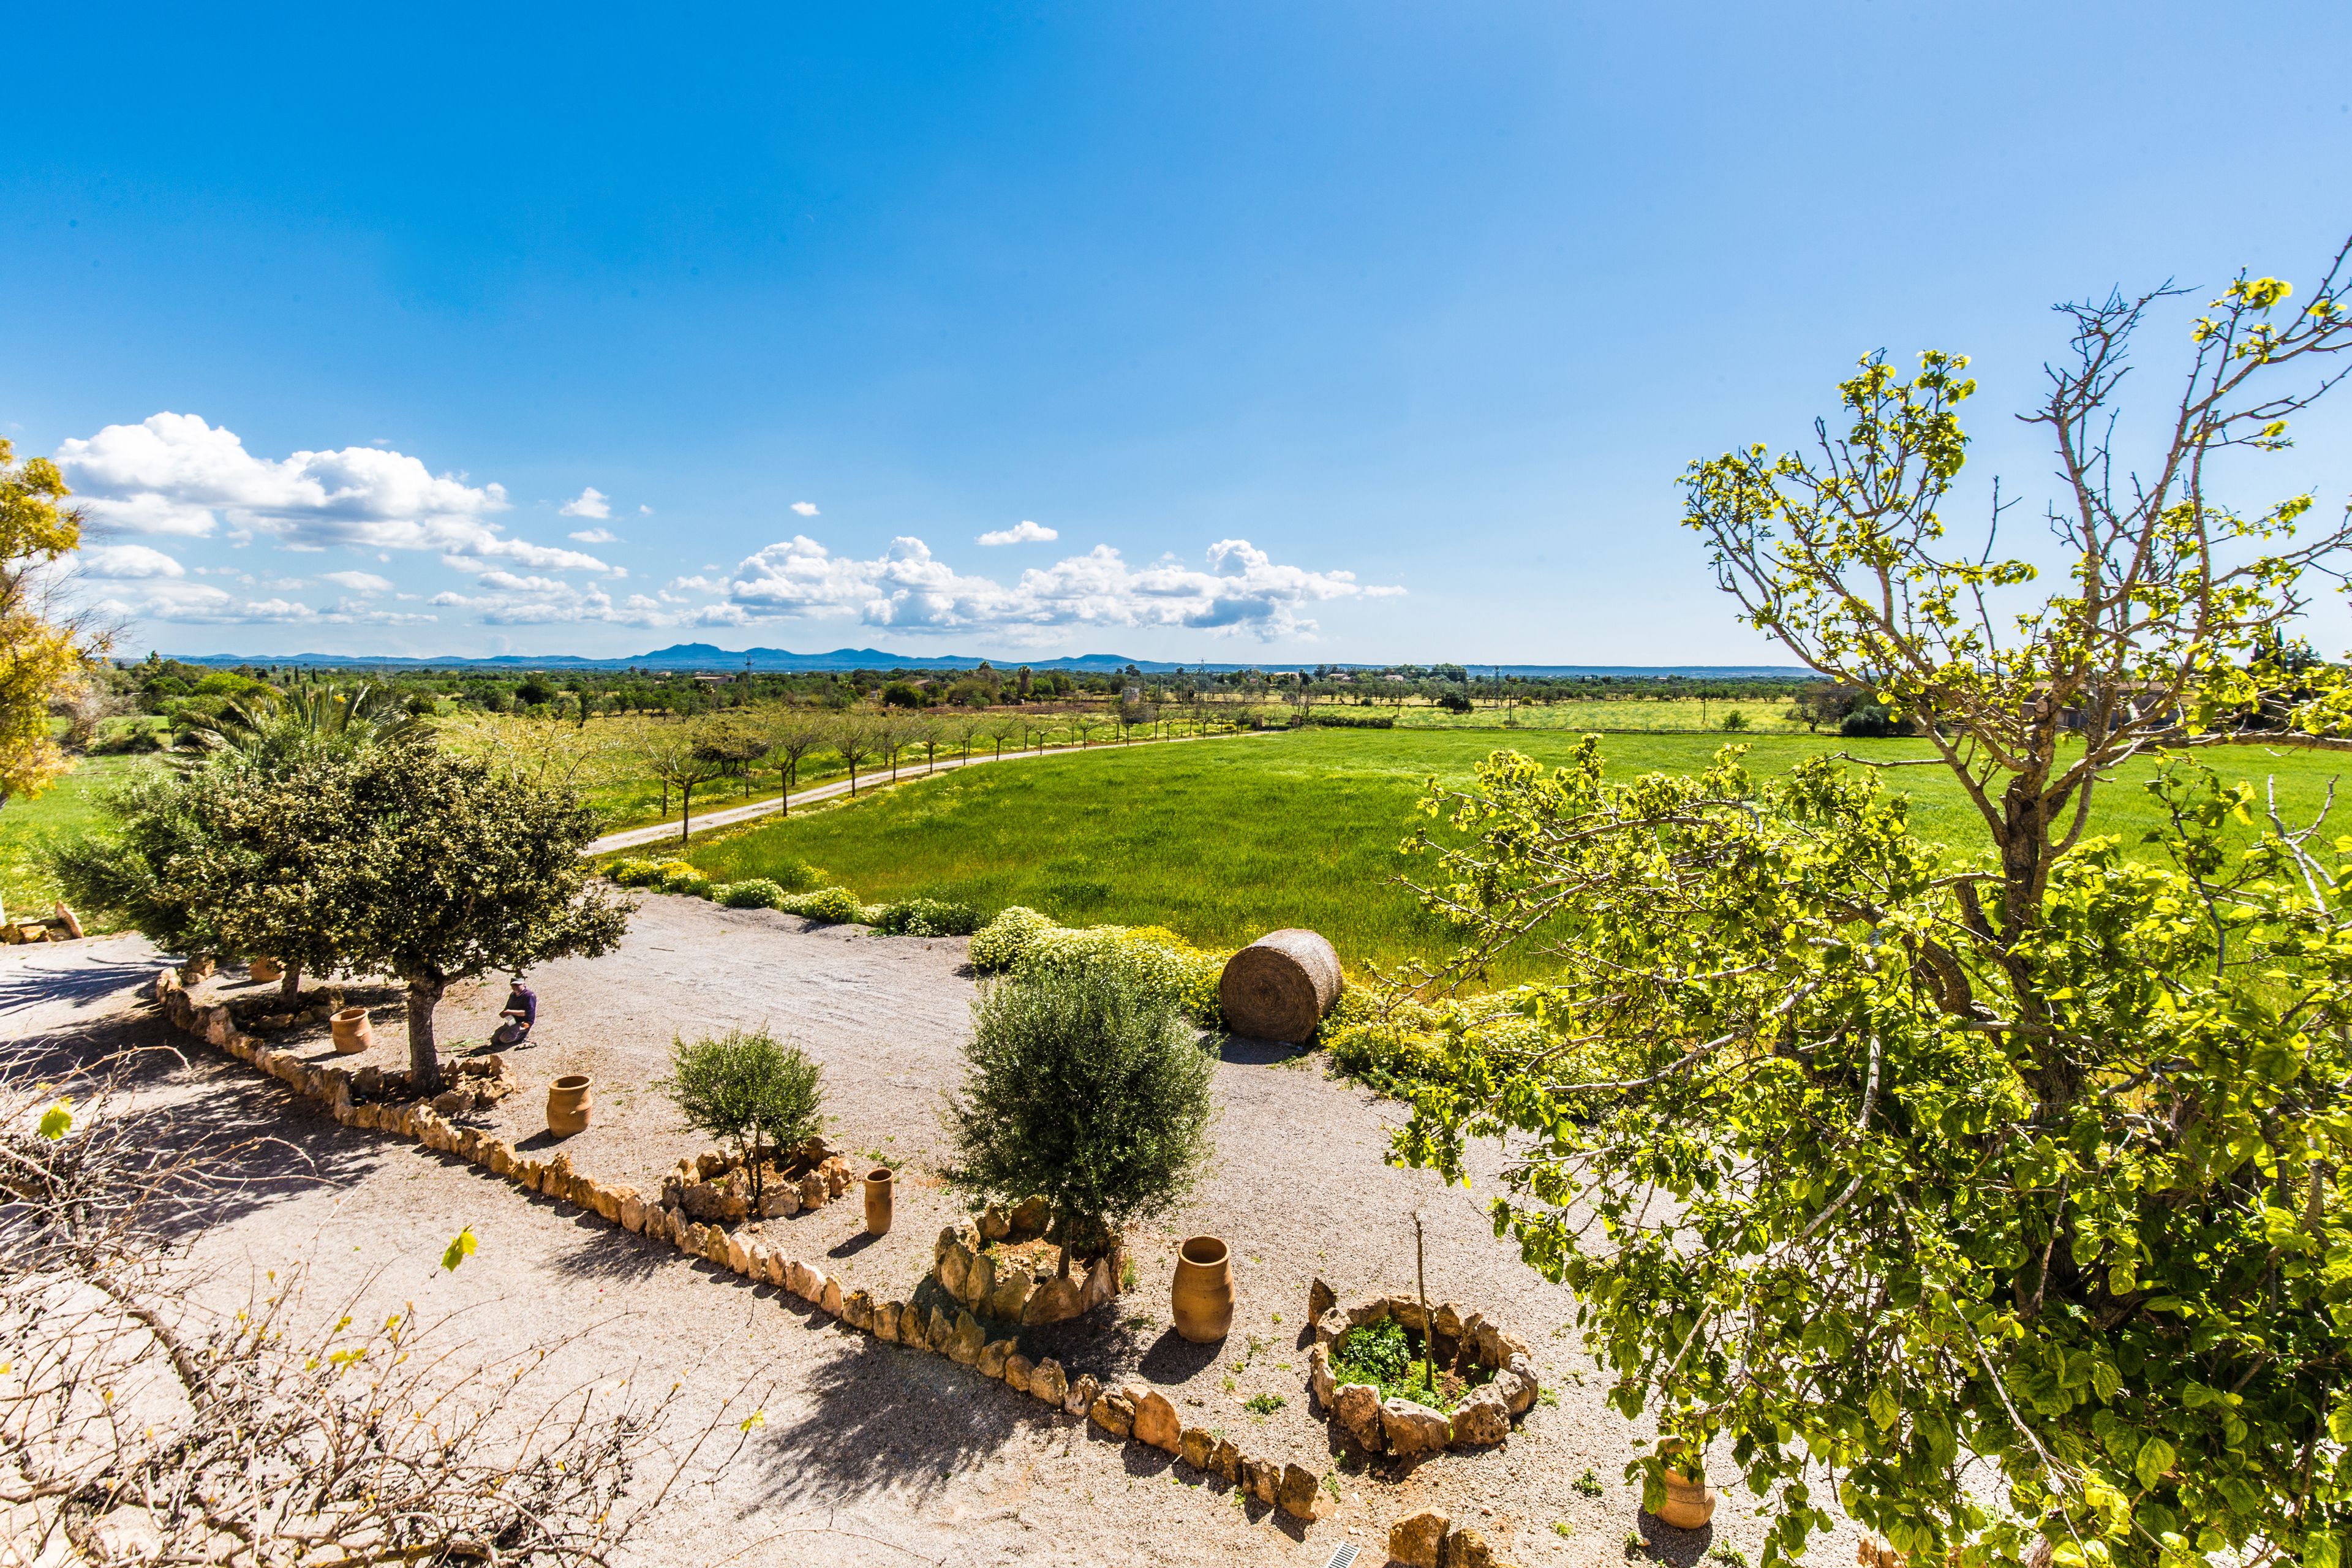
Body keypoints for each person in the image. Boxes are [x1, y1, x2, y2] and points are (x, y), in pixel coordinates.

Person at [492, 974, 537, 1047]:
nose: (515, 987)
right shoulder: (513, 995)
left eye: (517, 985)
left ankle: (523, 1036)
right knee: (495, 1040)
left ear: (523, 984)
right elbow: (508, 1008)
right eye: (513, 985)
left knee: (504, 1039)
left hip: (524, 1023)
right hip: (512, 1021)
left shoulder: (529, 996)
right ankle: (514, 1032)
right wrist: (505, 1013)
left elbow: (526, 1013)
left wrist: (510, 1012)